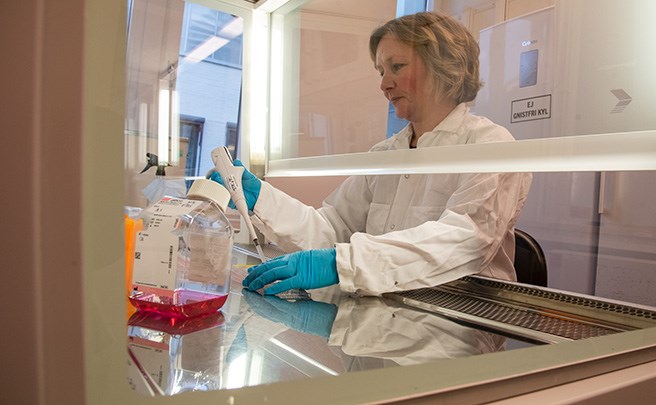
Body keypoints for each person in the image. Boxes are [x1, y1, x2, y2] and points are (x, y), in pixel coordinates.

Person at [212, 11, 532, 296]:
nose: (385, 85)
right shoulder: (386, 153)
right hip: (386, 313)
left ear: (443, 65)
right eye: (381, 71)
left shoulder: (489, 144)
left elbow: (464, 241)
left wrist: (346, 264)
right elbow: (334, 228)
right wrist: (261, 198)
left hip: (463, 322)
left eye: (397, 66)